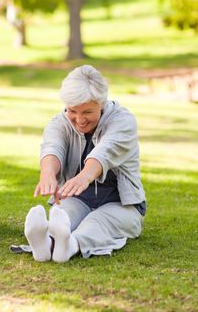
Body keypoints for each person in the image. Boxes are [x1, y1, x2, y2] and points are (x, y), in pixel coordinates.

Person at [24, 65, 146, 263]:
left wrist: (85, 176)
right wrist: (47, 174)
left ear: (101, 104)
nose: (79, 120)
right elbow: (52, 148)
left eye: (87, 111)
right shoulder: (59, 122)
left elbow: (106, 150)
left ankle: (70, 246)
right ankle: (46, 244)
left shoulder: (123, 121)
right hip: (79, 199)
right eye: (72, 111)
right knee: (65, 215)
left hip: (122, 206)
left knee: (97, 222)